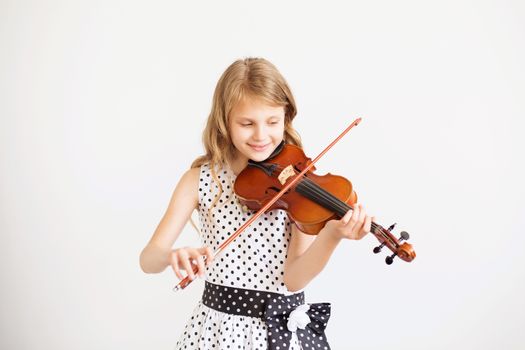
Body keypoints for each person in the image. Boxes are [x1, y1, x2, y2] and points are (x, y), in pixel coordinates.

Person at [139, 57, 373, 350]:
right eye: (247, 123)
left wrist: (332, 235)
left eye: (272, 122)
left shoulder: (298, 181)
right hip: (216, 332)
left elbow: (294, 279)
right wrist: (171, 255)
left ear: (286, 117)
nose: (261, 135)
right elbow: (148, 259)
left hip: (278, 334)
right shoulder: (198, 181)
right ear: (224, 122)